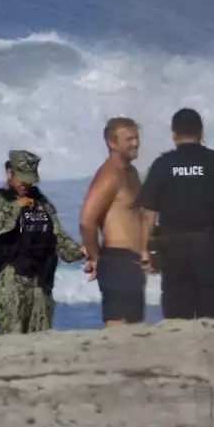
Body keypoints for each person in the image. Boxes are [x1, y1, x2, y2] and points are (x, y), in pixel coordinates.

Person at [136, 108, 214, 320]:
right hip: (209, 246)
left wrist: (144, 252)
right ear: (201, 133)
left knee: (177, 314)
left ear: (174, 134)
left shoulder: (163, 165)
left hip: (172, 248)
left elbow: (148, 214)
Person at [0, 150, 86, 334]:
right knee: (12, 343)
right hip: (12, 282)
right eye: (22, 179)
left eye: (29, 180)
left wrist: (82, 251)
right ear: (9, 173)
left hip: (41, 283)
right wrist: (15, 207)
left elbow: (57, 236)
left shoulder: (41, 202)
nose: (25, 185)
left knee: (41, 341)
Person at [79, 116, 147, 326]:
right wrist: (95, 255)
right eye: (129, 139)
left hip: (134, 263)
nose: (135, 143)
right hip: (117, 261)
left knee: (137, 333)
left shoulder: (131, 173)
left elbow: (137, 217)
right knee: (117, 336)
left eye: (136, 138)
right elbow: (86, 220)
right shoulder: (109, 176)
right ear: (112, 143)